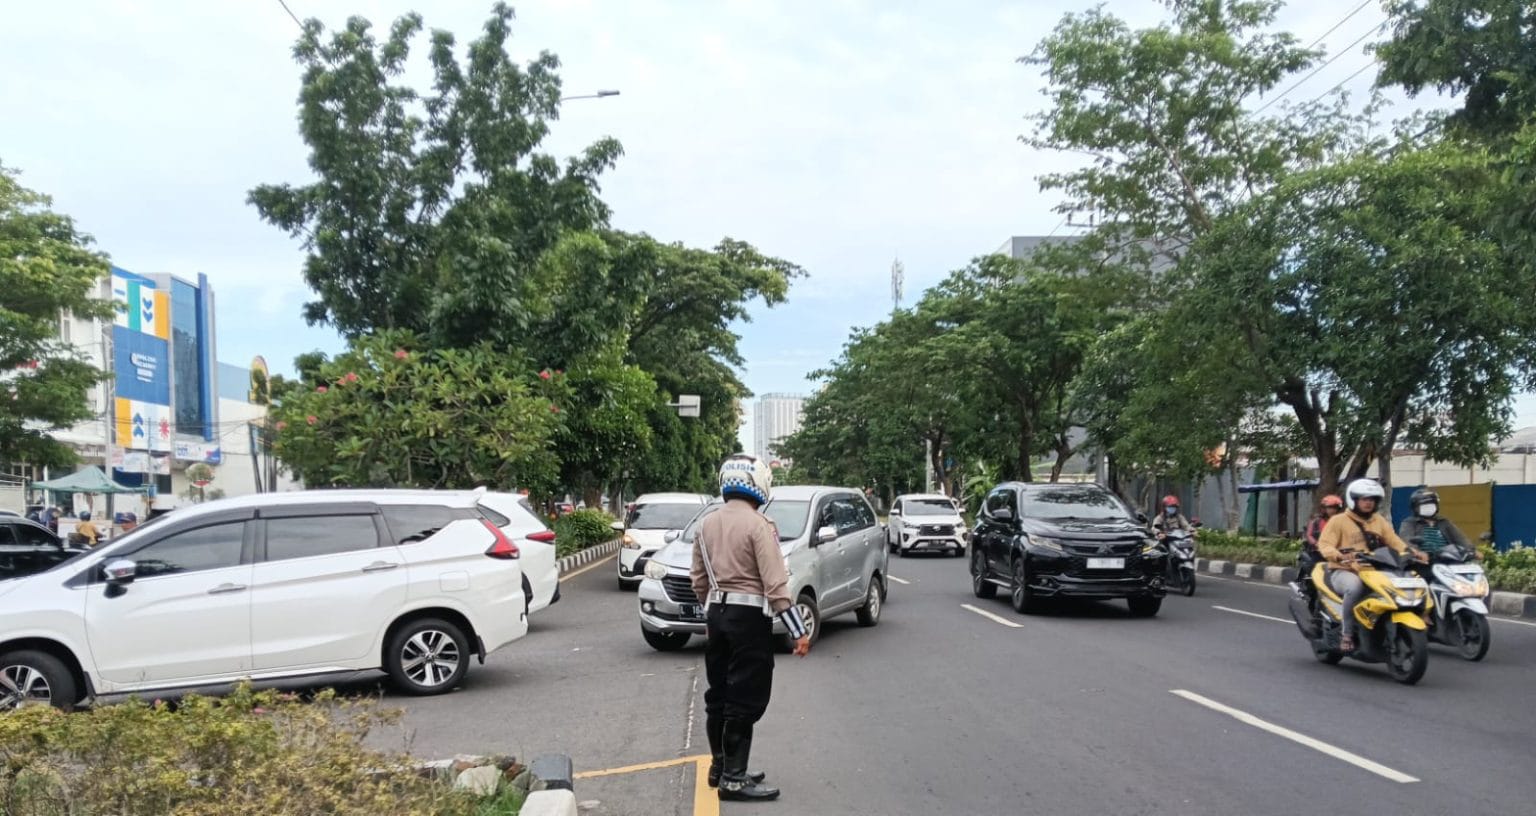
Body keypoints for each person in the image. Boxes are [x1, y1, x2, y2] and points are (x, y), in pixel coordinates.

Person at [691, 453, 811, 803]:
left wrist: (713, 614)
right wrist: (798, 630)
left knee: (720, 694)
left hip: (717, 614)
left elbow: (699, 580)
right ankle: (733, 778)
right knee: (745, 699)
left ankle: (720, 766)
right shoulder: (761, 525)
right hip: (748, 622)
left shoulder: (705, 524)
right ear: (758, 484)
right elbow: (776, 585)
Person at [1316, 478, 1421, 652]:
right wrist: (1339, 555)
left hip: (1375, 570)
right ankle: (1347, 634)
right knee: (1354, 588)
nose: (1368, 503)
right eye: (1364, 499)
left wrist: (1410, 552)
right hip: (1345, 570)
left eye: (1372, 500)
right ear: (1354, 500)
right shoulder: (1338, 521)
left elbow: (1393, 541)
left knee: (1402, 585)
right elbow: (1325, 545)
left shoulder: (1379, 521)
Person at [1397, 488, 1472, 563]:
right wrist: (1417, 553)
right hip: (1422, 562)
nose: (1428, 508)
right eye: (1424, 506)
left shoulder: (1444, 521)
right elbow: (1406, 540)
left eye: (1431, 505)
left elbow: (1460, 538)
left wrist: (1471, 551)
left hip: (1448, 559)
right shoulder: (1409, 523)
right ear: (1415, 508)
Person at [1294, 495, 1345, 593]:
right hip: (1317, 552)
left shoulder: (1342, 521)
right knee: (1315, 569)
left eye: (1335, 508)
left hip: (1335, 552)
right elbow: (1309, 535)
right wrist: (1318, 544)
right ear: (1324, 509)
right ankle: (1309, 587)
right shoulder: (1316, 521)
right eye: (1330, 507)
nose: (1332, 510)